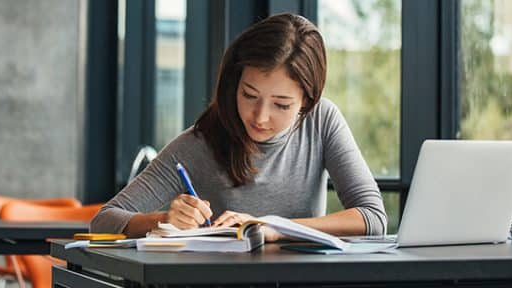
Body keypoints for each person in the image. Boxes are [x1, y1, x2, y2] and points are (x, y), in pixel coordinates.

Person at [90, 13, 387, 241]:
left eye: (281, 105)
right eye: (249, 95)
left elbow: (372, 218)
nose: (260, 117)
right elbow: (103, 220)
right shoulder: (200, 142)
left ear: (307, 102)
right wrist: (163, 220)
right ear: (234, 83)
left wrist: (273, 227)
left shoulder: (321, 121)